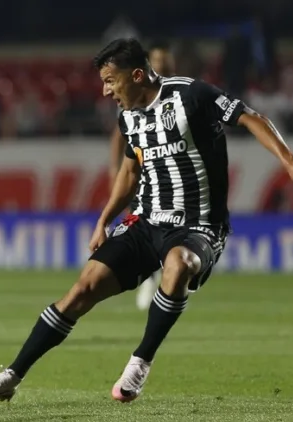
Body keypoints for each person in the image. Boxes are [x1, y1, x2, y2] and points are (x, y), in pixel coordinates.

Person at [0, 38, 293, 404]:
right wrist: (104, 219)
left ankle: (141, 361)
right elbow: (130, 171)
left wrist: (291, 162)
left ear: (137, 75)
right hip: (146, 221)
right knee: (82, 289)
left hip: (198, 224)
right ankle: (12, 374)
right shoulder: (127, 118)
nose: (106, 91)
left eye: (110, 80)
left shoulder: (192, 95)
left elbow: (252, 117)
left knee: (178, 264)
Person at [107, 40, 176, 311]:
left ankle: (170, 275)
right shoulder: (134, 96)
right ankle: (149, 276)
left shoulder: (181, 93)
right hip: (145, 170)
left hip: (176, 173)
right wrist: (117, 170)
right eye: (158, 62)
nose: (162, 67)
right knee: (142, 219)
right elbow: (119, 135)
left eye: (166, 63)